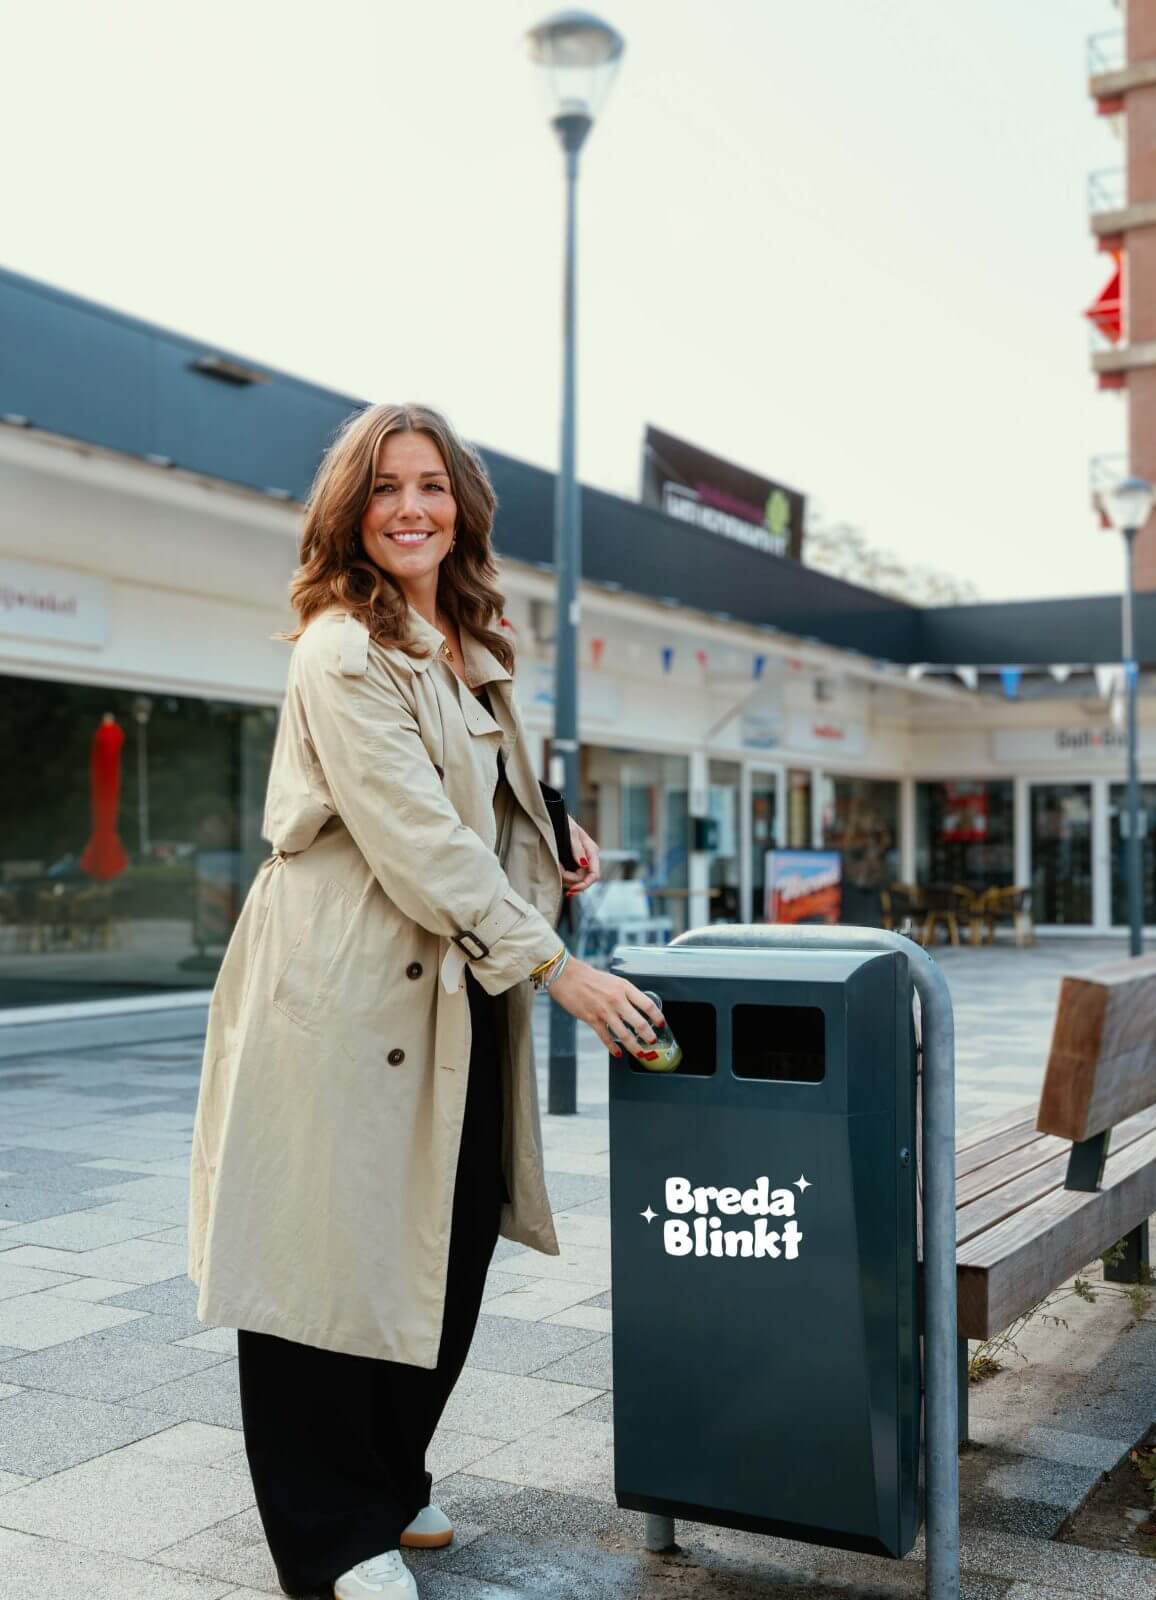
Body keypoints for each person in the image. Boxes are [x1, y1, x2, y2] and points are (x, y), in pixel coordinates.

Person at [187, 402, 663, 1600]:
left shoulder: (468, 638)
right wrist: (561, 966)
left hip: (448, 992)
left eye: (433, 485)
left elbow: (473, 782)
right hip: (342, 986)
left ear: (464, 507)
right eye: (387, 486)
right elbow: (413, 833)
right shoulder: (340, 645)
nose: (412, 507)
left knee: (443, 1244)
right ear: (351, 510)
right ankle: (330, 1534)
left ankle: (390, 1480)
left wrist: (550, 814)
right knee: (320, 1259)